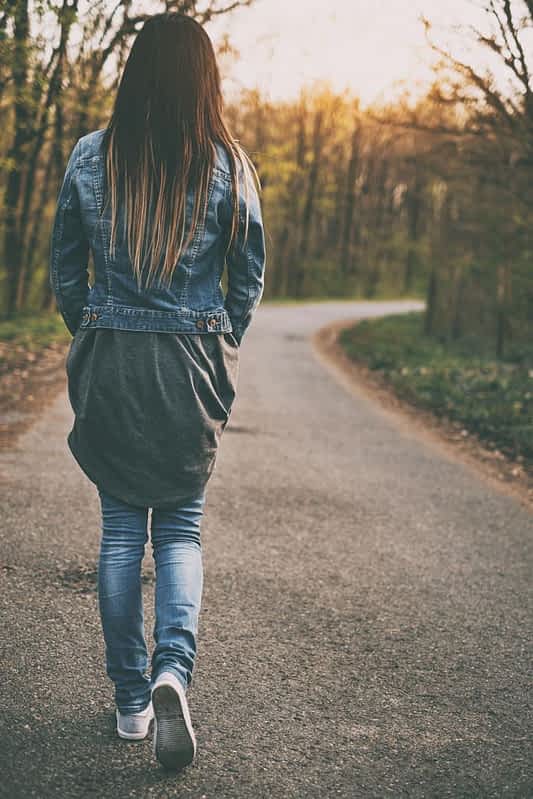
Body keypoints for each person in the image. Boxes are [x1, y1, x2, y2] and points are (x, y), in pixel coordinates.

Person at [49, 11, 266, 772]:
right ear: (202, 80)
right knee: (180, 530)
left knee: (118, 534)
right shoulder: (227, 164)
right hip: (189, 367)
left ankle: (131, 700)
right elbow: (248, 278)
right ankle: (175, 667)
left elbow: (64, 273)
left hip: (111, 361)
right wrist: (217, 342)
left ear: (135, 72)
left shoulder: (89, 156)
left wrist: (95, 332)